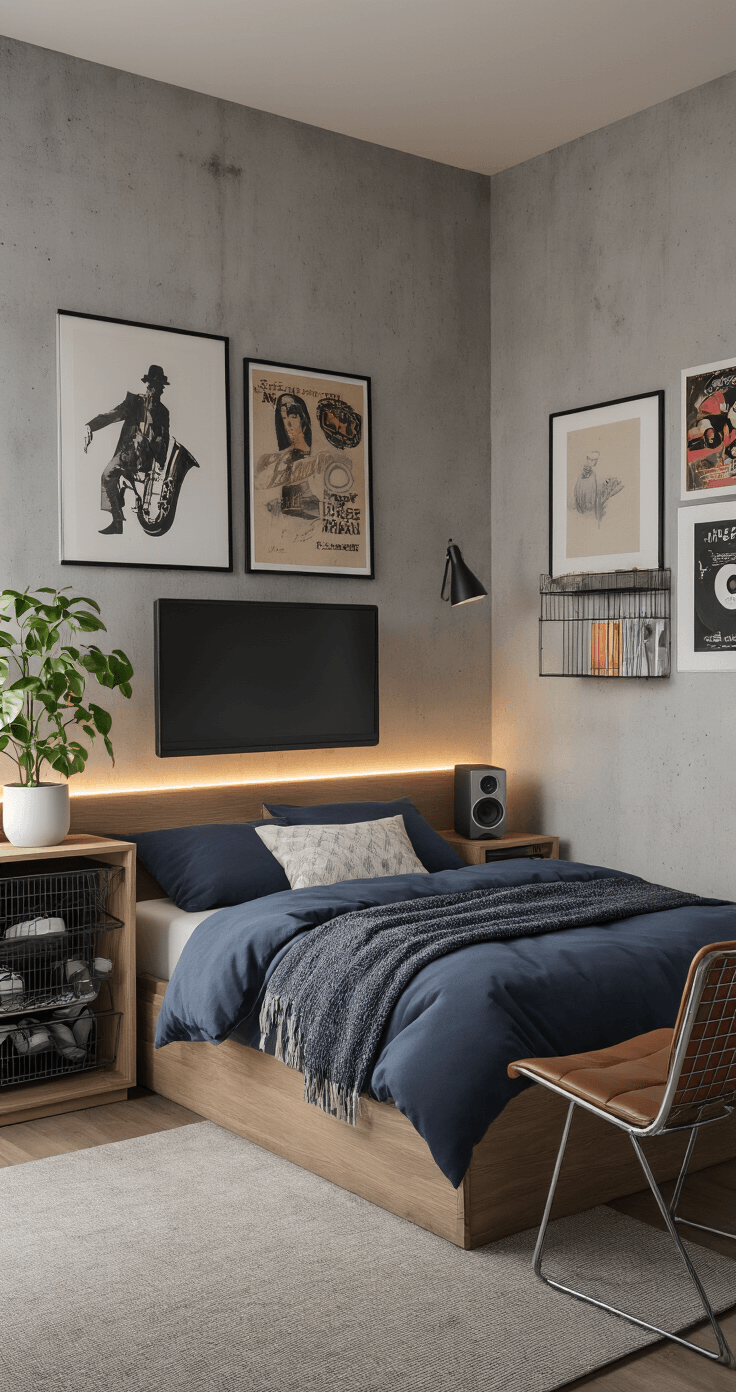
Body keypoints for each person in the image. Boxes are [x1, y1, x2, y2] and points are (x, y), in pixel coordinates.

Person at [84, 365, 170, 534]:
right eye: (149, 384)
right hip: (126, 454)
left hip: (146, 462)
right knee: (107, 475)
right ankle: (117, 520)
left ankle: (127, 485)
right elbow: (112, 415)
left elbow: (164, 439)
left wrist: (161, 464)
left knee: (141, 496)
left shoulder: (163, 412)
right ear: (146, 385)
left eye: (156, 385)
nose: (151, 389)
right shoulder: (135, 402)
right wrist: (90, 426)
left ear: (161, 389)